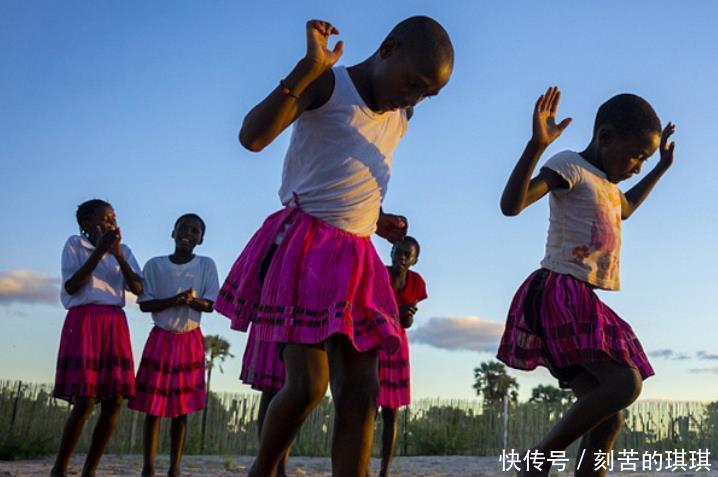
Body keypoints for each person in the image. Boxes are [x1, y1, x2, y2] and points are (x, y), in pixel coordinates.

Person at [215, 16, 454, 476]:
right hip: (305, 247)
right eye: (414, 84)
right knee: (307, 385)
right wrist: (307, 68)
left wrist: (376, 218)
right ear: (388, 49)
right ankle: (262, 470)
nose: (415, 98)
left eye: (428, 94)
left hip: (359, 257)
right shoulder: (328, 85)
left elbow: (346, 172)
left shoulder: (400, 114)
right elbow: (252, 137)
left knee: (361, 392)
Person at [497, 87, 676, 476]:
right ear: (605, 137)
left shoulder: (609, 186)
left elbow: (625, 209)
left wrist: (661, 168)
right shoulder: (570, 166)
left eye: (644, 160)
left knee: (608, 415)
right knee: (624, 385)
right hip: (558, 291)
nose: (637, 167)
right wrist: (535, 146)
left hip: (581, 299)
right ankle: (538, 460)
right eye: (635, 155)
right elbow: (512, 205)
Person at [51, 199, 143, 477]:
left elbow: (138, 287)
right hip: (84, 321)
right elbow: (72, 285)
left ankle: (90, 470)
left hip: (114, 321)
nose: (110, 224)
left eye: (113, 219)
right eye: (103, 219)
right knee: (85, 400)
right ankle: (60, 467)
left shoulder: (123, 251)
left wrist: (116, 255)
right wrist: (98, 253)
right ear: (86, 225)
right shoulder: (74, 245)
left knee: (114, 400)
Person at [129, 214, 219, 477]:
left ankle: (175, 467)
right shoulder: (155, 265)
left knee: (182, 409)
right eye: (183, 228)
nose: (187, 233)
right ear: (172, 232)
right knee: (152, 407)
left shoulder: (206, 265)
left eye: (194, 230)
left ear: (201, 239)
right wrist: (175, 300)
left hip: (190, 339)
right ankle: (148, 466)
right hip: (161, 337)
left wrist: (189, 302)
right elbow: (145, 304)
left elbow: (211, 304)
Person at [376, 236, 427, 477]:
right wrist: (398, 311)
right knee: (366, 408)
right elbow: (370, 307)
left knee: (391, 411)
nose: (402, 257)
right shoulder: (378, 274)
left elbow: (406, 322)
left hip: (397, 342)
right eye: (399, 251)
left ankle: (384, 470)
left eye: (408, 254)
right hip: (374, 338)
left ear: (415, 260)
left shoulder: (415, 282)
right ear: (391, 251)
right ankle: (359, 462)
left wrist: (407, 314)